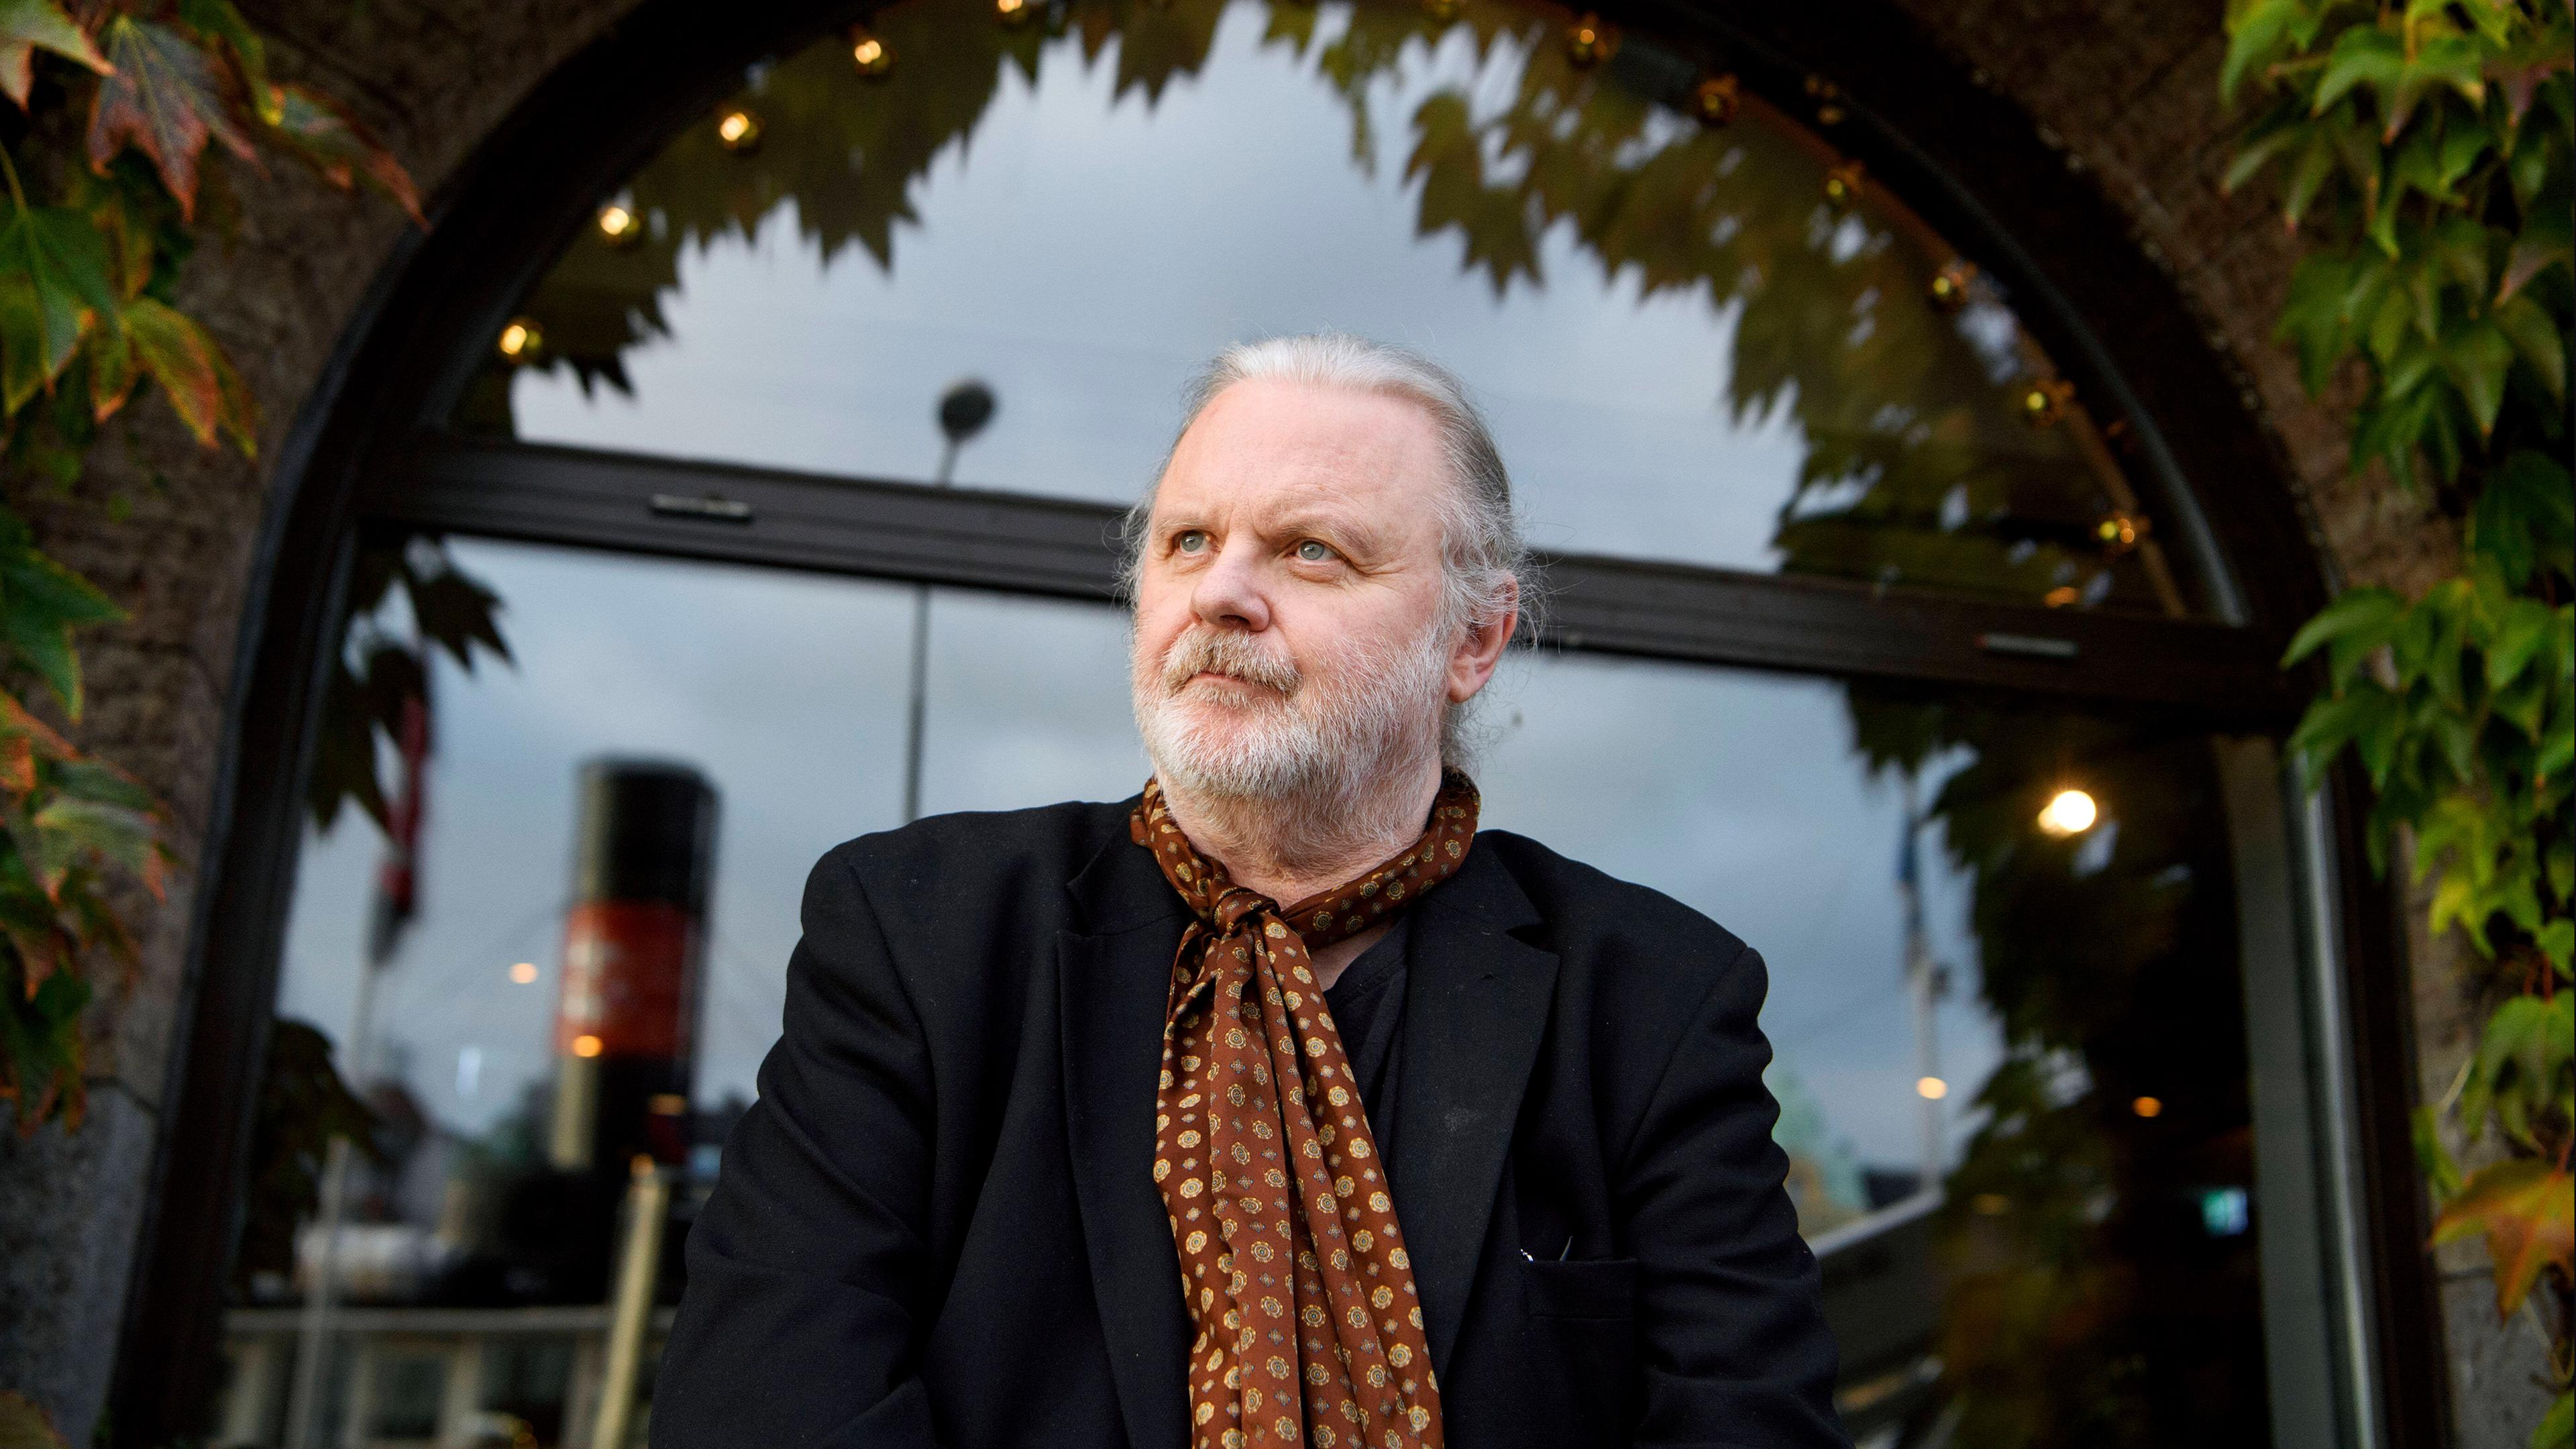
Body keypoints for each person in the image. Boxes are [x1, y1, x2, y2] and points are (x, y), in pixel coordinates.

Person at [651, 334, 1845, 1449]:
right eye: (1186, 543)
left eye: (1310, 549)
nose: (1220, 593)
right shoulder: (918, 935)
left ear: (1474, 641)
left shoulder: (1654, 1004)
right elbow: (762, 1405)